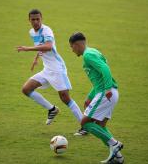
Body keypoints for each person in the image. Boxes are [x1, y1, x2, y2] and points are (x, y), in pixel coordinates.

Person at [16, 9, 87, 135]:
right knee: (26, 89)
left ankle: (85, 126)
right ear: (29, 21)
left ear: (41, 19)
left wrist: (28, 49)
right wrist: (36, 58)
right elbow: (41, 45)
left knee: (65, 98)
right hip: (47, 69)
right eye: (33, 19)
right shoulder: (32, 32)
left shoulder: (47, 30)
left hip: (57, 69)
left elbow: (48, 46)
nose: (36, 21)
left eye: (38, 19)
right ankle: (52, 109)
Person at [69, 32, 124, 163]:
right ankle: (118, 157)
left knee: (85, 123)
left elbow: (104, 67)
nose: (72, 50)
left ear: (77, 44)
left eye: (72, 47)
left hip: (106, 93)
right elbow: (98, 77)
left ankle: (114, 143)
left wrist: (108, 88)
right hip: (109, 93)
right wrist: (90, 96)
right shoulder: (92, 52)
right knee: (100, 125)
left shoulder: (88, 55)